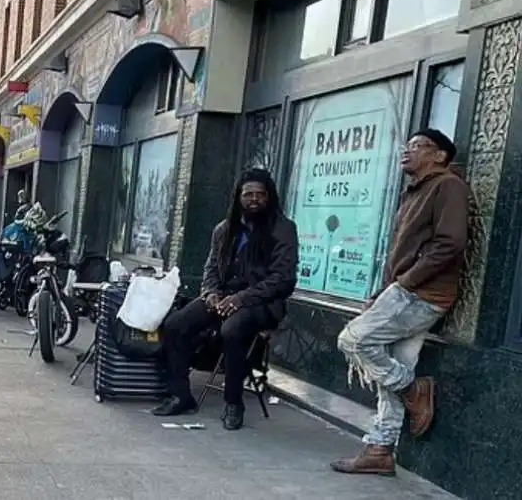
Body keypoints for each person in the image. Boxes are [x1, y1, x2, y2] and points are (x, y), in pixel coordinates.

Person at [330, 129, 469, 476]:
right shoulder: (415, 191)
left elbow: (450, 243)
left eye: (417, 146)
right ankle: (381, 448)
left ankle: (414, 390)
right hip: (404, 291)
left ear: (439, 156)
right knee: (391, 366)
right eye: (405, 146)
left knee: (353, 339)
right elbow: (402, 254)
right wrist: (384, 291)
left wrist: (403, 284)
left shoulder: (447, 186)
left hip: (422, 294)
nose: (407, 152)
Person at [152, 168, 299, 430]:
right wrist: (210, 294)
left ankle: (234, 403)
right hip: (222, 297)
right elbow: (210, 268)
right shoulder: (224, 229)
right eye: (248, 194)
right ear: (238, 197)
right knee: (175, 324)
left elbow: (283, 278)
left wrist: (241, 298)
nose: (254, 199)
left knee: (232, 330)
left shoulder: (283, 229)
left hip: (262, 302)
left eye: (260, 195)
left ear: (269, 197)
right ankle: (180, 395)